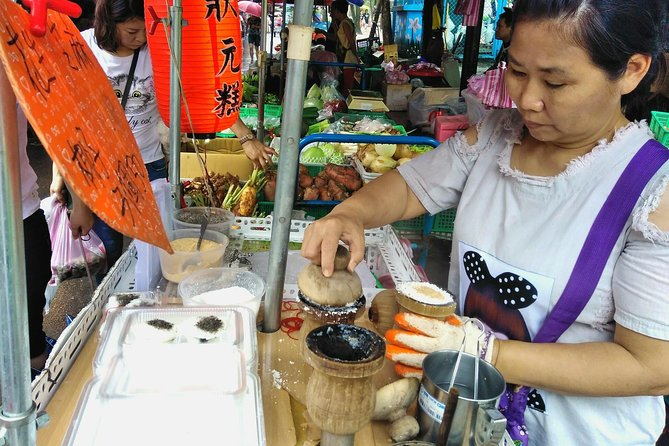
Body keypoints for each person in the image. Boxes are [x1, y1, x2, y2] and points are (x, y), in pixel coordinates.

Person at [301, 0, 669, 444]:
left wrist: (484, 351)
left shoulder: (652, 192)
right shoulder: (496, 135)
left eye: (555, 81)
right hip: (457, 416)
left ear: (631, 70)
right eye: (516, 70)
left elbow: (651, 367)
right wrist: (350, 213)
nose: (527, 99)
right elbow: (410, 187)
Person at [52, 0, 274, 270]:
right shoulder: (82, 48)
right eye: (132, 32)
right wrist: (78, 200)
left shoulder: (158, 48)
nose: (141, 38)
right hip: (100, 170)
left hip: (149, 164)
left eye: (145, 29)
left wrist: (245, 137)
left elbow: (199, 90)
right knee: (106, 252)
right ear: (108, 23)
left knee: (157, 251)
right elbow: (68, 125)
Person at [13, 104, 53, 379]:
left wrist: (78, 196)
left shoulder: (14, 63)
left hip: (23, 208)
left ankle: (37, 369)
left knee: (31, 298)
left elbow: (58, 125)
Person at [330, 0, 360, 96]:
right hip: (347, 57)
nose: (331, 13)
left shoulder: (345, 24)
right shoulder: (344, 22)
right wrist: (333, 20)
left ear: (337, 11)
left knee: (347, 85)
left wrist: (356, 56)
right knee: (346, 84)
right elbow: (337, 36)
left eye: (333, 11)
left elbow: (351, 42)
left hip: (349, 58)